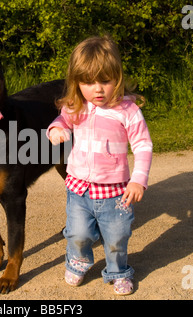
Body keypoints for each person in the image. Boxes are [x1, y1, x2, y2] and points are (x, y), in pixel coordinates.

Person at [47, 35, 153, 295]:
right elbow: (61, 121)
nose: (98, 89)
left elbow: (143, 145)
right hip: (79, 188)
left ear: (117, 77)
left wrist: (138, 179)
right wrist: (56, 130)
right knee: (77, 233)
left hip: (115, 192)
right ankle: (78, 261)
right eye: (88, 82)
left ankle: (118, 271)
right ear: (76, 82)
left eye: (105, 80)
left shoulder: (128, 111)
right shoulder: (76, 106)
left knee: (117, 237)